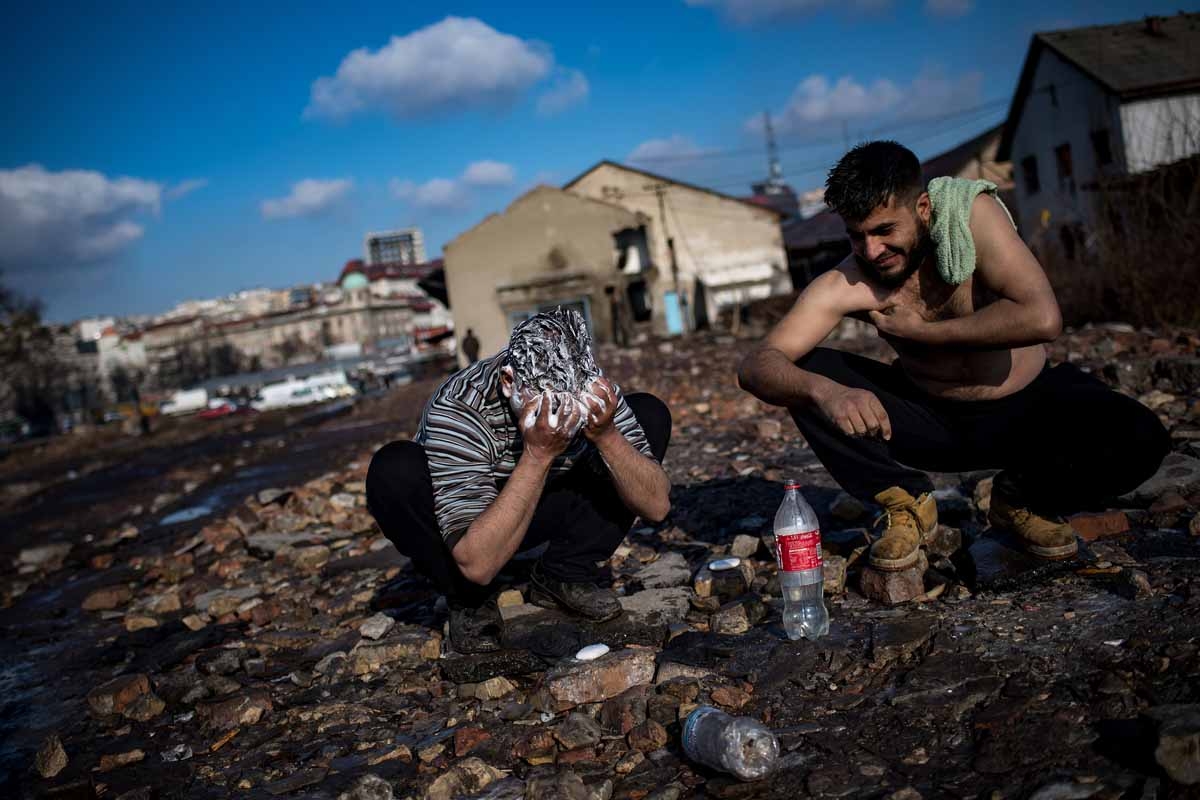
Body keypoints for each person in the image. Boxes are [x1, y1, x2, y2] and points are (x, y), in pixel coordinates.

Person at [738, 141, 1168, 572]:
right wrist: (825, 392)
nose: (871, 250)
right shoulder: (851, 279)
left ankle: (1020, 500)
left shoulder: (975, 218)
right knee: (806, 371)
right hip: (931, 423)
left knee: (1142, 435)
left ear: (923, 207)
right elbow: (758, 364)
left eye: (885, 230)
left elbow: (1042, 317)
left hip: (1025, 415)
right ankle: (906, 502)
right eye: (857, 235)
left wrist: (925, 333)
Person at [367, 308, 672, 653]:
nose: (563, 418)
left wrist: (606, 436)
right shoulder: (459, 408)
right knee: (393, 471)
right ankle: (468, 602)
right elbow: (479, 565)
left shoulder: (591, 390)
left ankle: (563, 572)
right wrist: (538, 454)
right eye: (550, 404)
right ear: (510, 382)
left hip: (547, 501)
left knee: (648, 413)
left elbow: (657, 507)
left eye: (572, 403)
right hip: (474, 524)